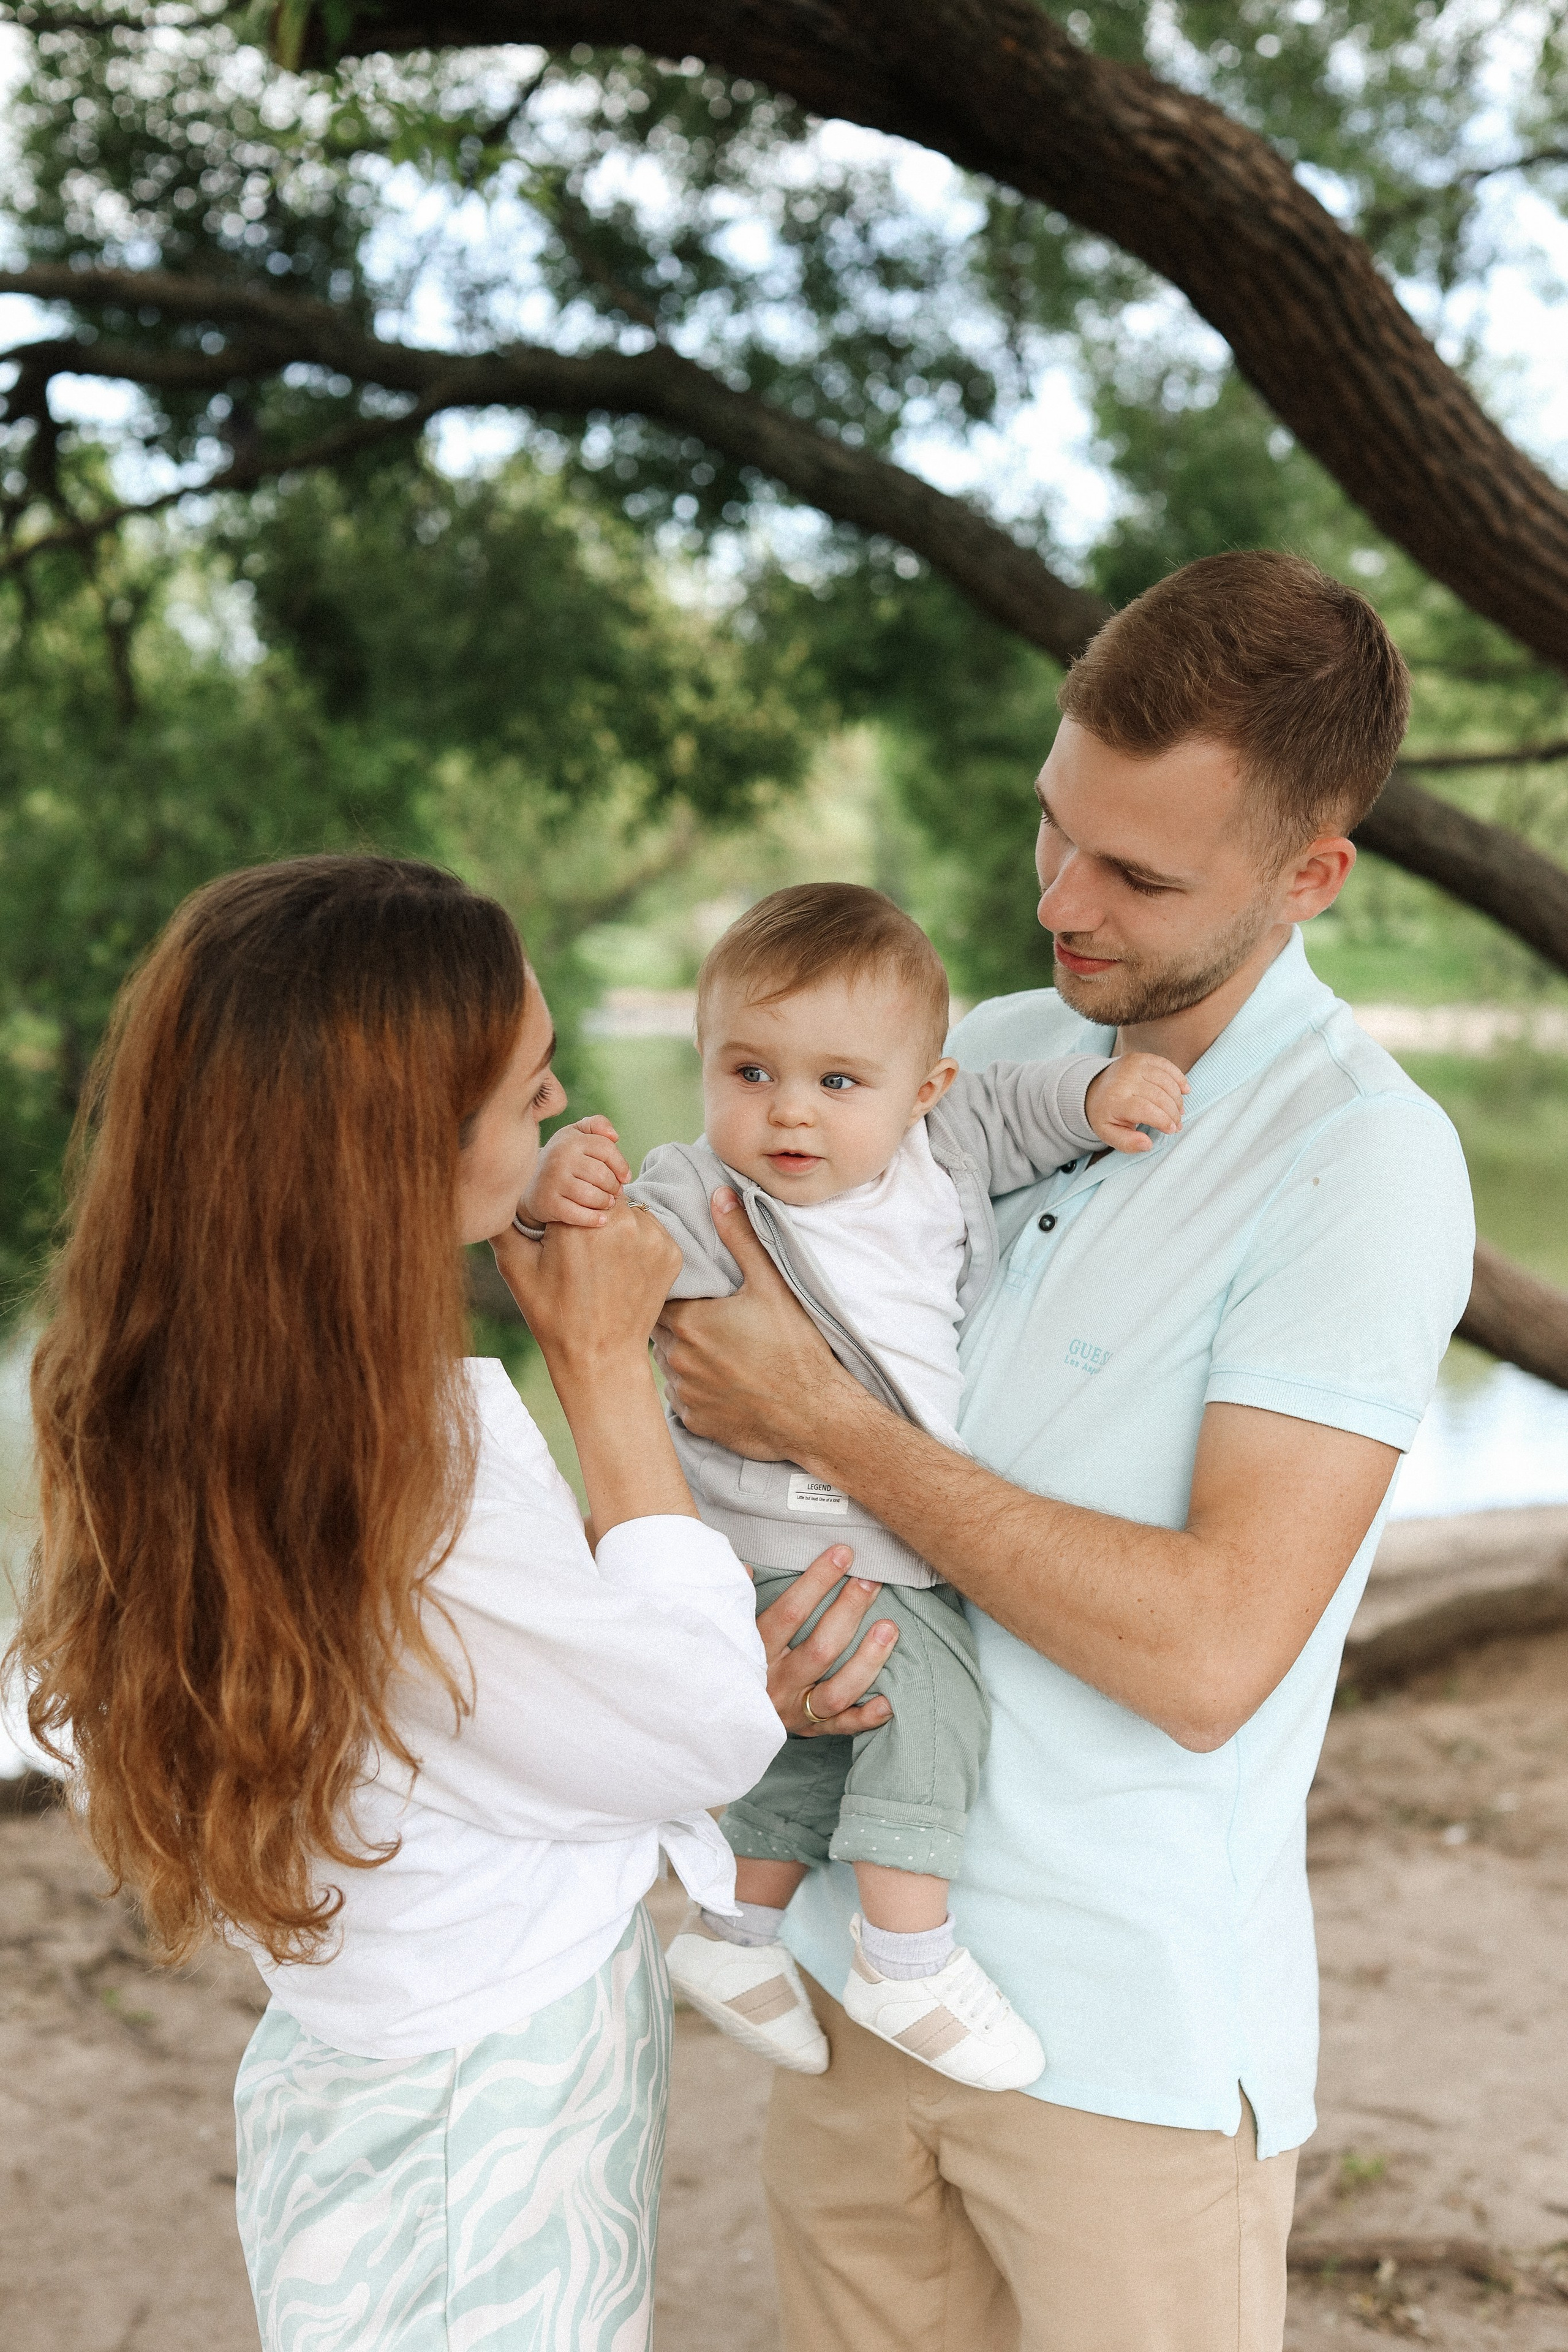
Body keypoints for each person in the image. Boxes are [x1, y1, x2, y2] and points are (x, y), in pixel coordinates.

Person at [652, 553, 1476, 2352]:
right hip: (855, 1985)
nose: (1059, 901)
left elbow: (1208, 1655)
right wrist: (771, 1631)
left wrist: (825, 1427)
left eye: (1136, 874)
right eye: (1055, 831)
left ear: (1310, 874)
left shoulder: (1364, 1162)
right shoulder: (988, 1058)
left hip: (1121, 2045)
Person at [9, 853, 894, 2352]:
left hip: (352, 2069)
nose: (558, 1113)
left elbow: (445, 1730)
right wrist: (605, 1368)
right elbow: (693, 1740)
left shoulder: (162, 1404)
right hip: (489, 2108)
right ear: (401, 1149)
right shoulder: (399, 1469)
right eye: (529, 1091)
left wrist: (656, 1690)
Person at [526, 881, 1186, 2094]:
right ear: (705, 1068)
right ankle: (907, 1952)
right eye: (748, 1073)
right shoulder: (703, 1192)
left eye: (837, 1083)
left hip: (866, 1512)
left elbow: (1020, 1105)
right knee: (928, 1708)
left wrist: (1098, 1098)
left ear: (917, 1091)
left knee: (826, 1736)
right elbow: (607, 1251)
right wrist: (554, 1191)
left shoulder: (945, 1147)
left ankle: (731, 1934)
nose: (789, 1114)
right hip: (793, 1522)